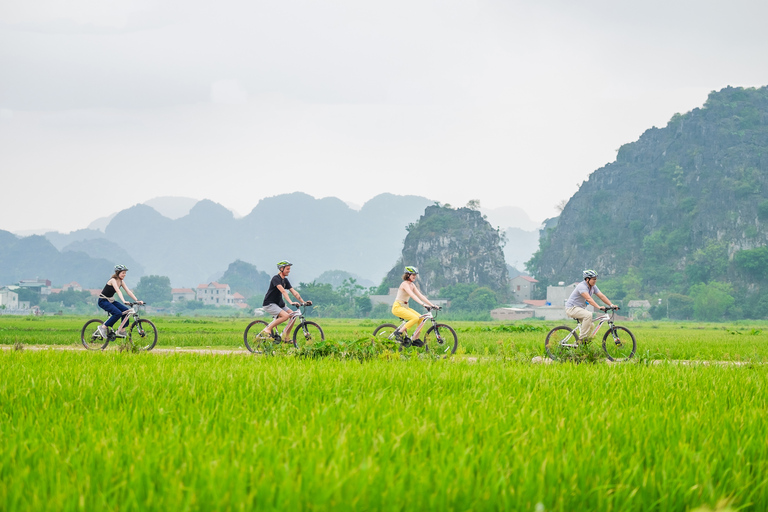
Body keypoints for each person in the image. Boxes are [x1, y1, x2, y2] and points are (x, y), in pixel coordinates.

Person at [260, 260, 312, 340]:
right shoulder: (276, 278)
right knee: (285, 316)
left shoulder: (285, 281)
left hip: (279, 304)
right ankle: (268, 329)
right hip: (269, 304)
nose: (289, 271)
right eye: (287, 269)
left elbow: (294, 292)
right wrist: (290, 302)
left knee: (293, 316)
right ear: (281, 269)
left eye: (289, 269)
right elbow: (283, 291)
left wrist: (303, 302)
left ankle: (286, 338)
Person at [391, 266, 439, 347]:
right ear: (408, 275)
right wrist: (423, 305)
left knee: (421, 319)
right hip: (398, 307)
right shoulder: (404, 284)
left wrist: (432, 305)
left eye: (415, 275)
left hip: (405, 307)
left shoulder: (412, 285)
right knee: (415, 318)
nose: (414, 276)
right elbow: (412, 295)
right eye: (413, 274)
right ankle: (398, 333)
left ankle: (416, 339)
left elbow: (421, 296)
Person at [565, 269, 616, 341]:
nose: (595, 281)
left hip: (580, 309)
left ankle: (584, 344)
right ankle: (581, 340)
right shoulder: (582, 286)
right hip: (572, 308)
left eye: (596, 279)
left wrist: (611, 305)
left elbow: (602, 296)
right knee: (588, 315)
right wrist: (598, 307)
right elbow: (589, 299)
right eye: (593, 279)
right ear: (587, 279)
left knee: (591, 326)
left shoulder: (593, 287)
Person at [97, 264, 143, 338]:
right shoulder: (113, 280)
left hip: (111, 301)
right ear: (118, 273)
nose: (124, 275)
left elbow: (128, 292)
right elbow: (118, 291)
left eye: (125, 273)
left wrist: (137, 300)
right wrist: (124, 301)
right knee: (117, 313)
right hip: (103, 301)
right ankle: (103, 327)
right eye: (123, 273)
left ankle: (122, 330)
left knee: (126, 311)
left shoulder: (121, 282)